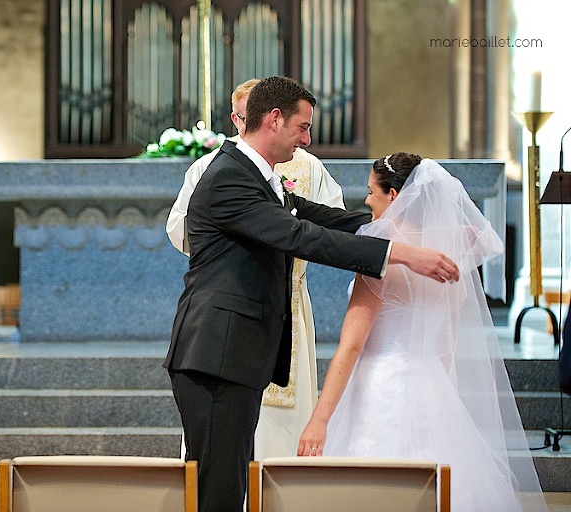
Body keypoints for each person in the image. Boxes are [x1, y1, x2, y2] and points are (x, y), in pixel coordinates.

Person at [164, 76, 460, 512]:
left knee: (230, 483)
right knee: (219, 490)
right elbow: (301, 236)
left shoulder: (259, 175)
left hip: (232, 355)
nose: (306, 140)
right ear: (274, 119)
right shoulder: (227, 177)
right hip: (215, 354)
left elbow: (323, 218)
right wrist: (399, 254)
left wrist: (403, 224)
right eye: (302, 128)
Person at [297, 153, 547, 512]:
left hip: (379, 384)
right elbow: (447, 344)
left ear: (394, 195)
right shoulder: (445, 255)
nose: (367, 200)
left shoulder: (381, 250)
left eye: (372, 192)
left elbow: (351, 346)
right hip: (431, 386)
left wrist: (319, 420)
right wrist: (435, 395)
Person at [166, 78, 345, 462]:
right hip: (233, 315)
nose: (306, 139)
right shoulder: (217, 170)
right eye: (247, 116)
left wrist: (388, 238)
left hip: (283, 304)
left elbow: (326, 221)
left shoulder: (306, 169)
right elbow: (183, 228)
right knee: (222, 460)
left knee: (250, 443)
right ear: (239, 118)